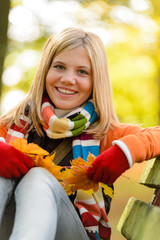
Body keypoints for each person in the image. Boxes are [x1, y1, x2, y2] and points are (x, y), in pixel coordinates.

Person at [0, 27, 160, 240]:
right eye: (59, 67)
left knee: (38, 177)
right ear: (45, 71)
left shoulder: (103, 132)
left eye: (82, 72)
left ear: (96, 81)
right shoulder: (17, 124)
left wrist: (124, 152)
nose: (68, 79)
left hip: (74, 232)